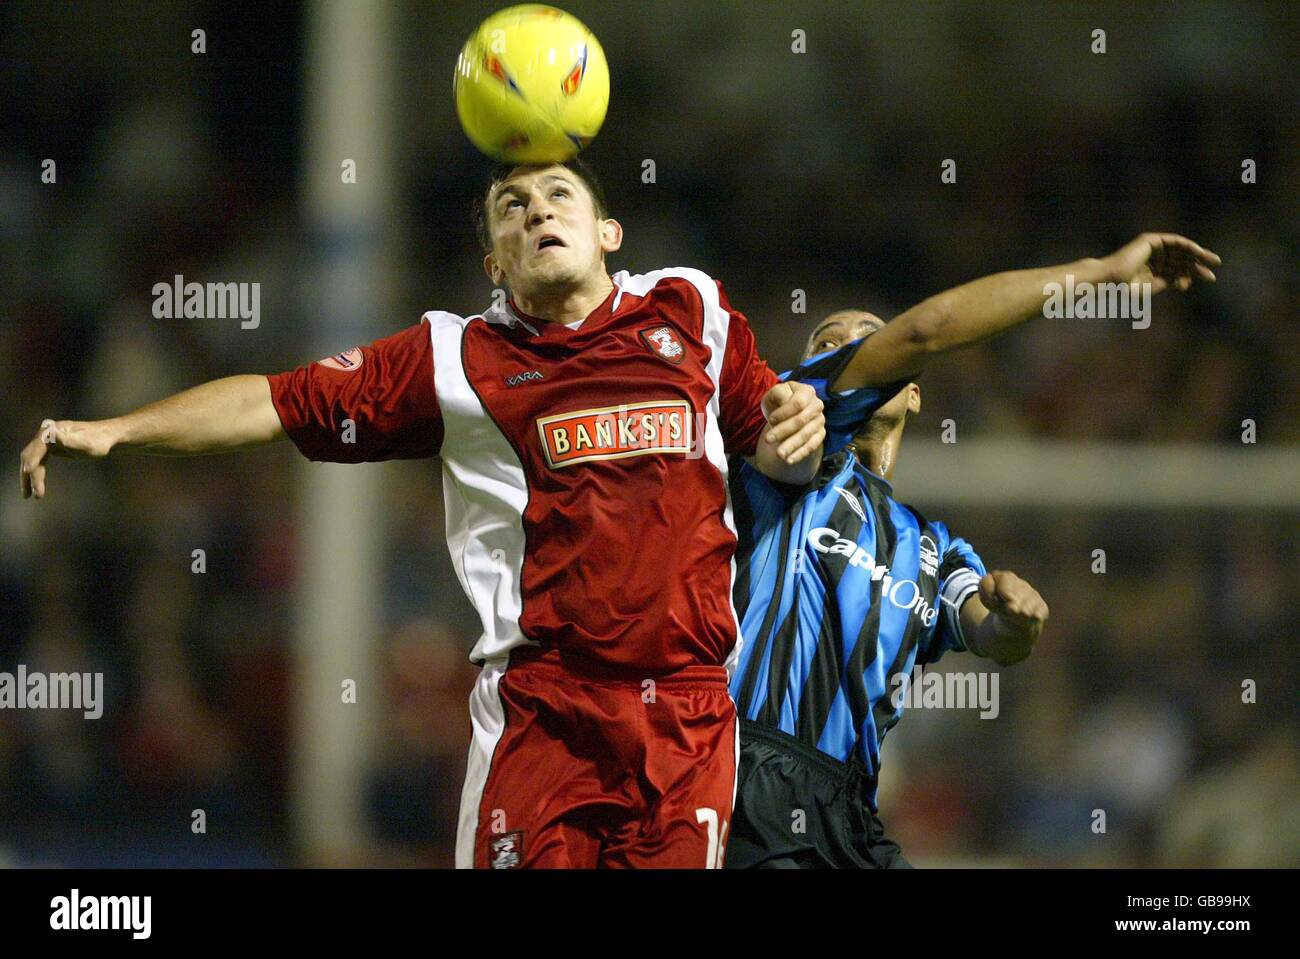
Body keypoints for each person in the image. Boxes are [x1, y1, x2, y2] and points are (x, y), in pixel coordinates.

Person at [19, 159, 827, 869]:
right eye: (513, 207)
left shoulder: (692, 310)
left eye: (558, 195)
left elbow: (776, 446)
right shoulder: (456, 358)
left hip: (685, 714)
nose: (538, 211)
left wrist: (807, 431)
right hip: (544, 718)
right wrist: (120, 429)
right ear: (494, 262)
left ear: (609, 230)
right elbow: (274, 400)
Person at [724, 234, 1220, 868]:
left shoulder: (934, 549)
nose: (849, 347)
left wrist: (1017, 621)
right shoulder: (786, 461)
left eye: (869, 335)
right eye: (828, 343)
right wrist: (1098, 271)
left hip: (850, 809)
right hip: (753, 775)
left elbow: (992, 636)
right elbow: (929, 328)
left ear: (915, 393)